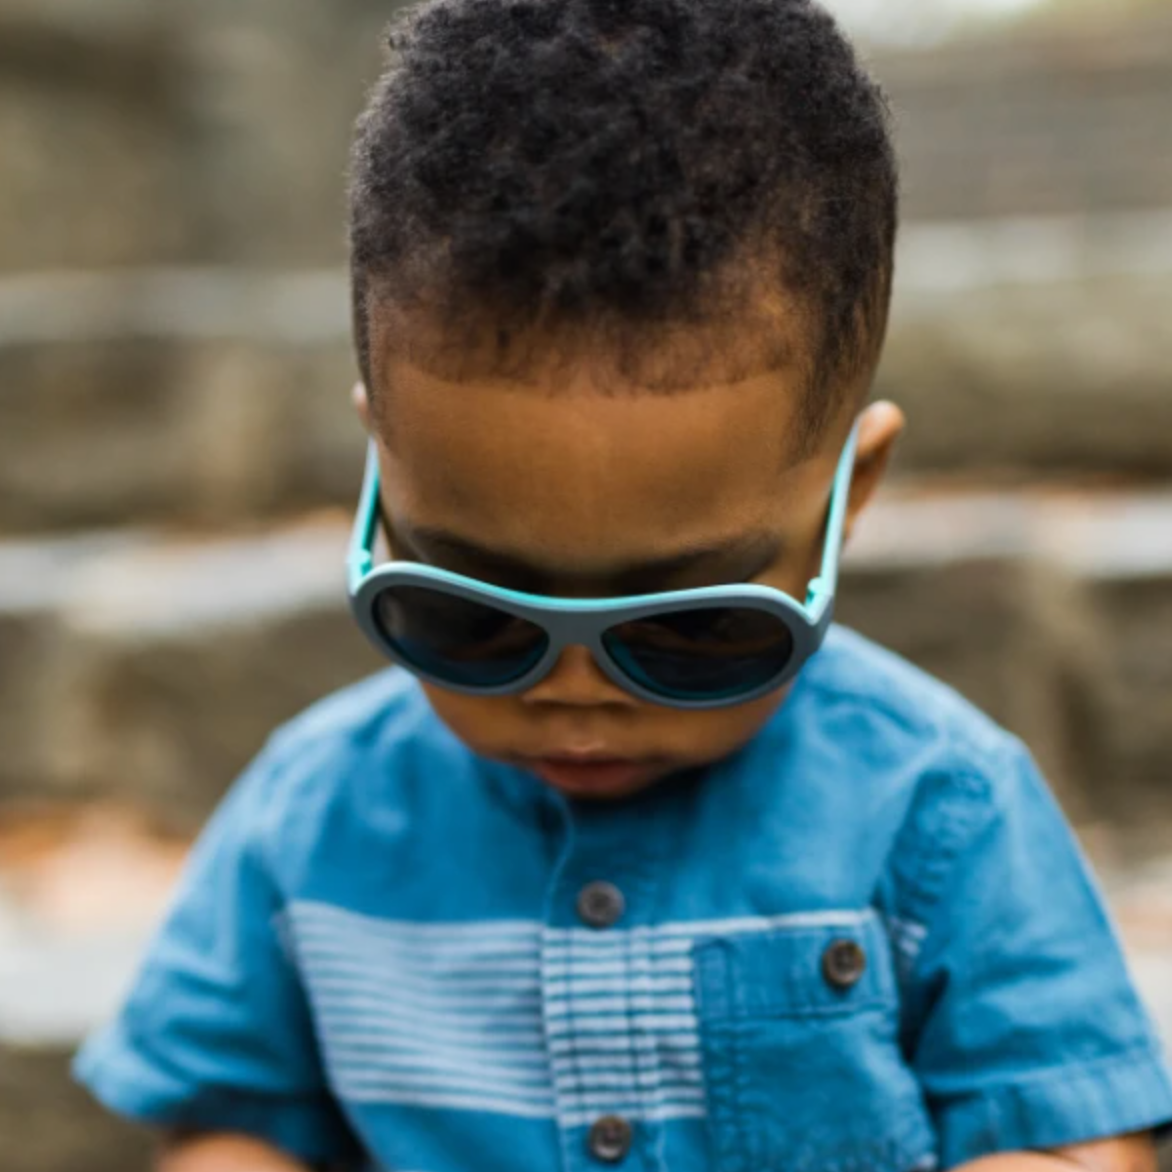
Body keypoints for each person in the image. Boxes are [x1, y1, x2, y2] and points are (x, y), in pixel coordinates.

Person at [74, 0, 1172, 1169]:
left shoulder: (937, 809)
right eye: (468, 612)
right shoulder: (308, 818)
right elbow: (229, 1119)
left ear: (848, 495)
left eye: (693, 628)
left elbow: (1072, 1138)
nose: (574, 688)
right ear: (382, 475)